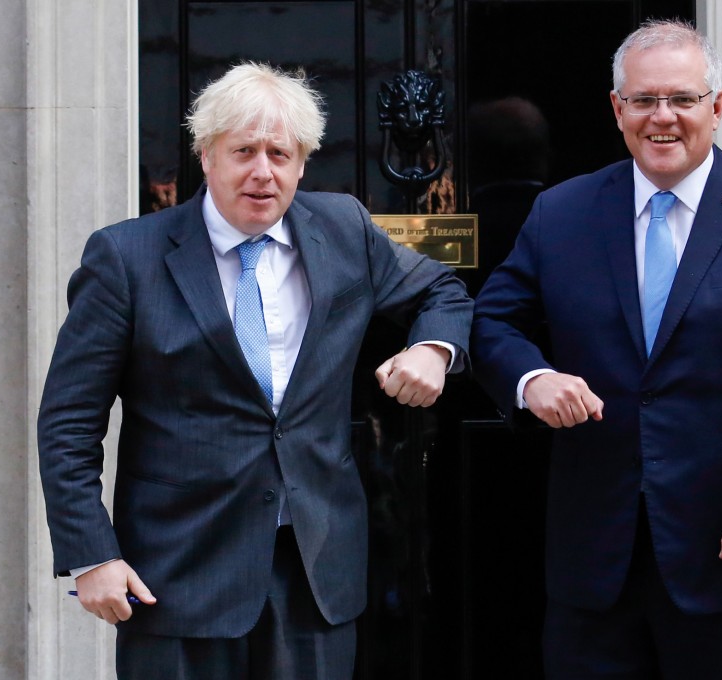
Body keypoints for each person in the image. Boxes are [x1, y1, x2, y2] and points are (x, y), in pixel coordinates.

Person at [37, 62, 472, 680]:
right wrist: (91, 555)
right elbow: (68, 421)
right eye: (243, 151)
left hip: (314, 569)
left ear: (302, 164)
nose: (263, 171)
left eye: (280, 154)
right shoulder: (126, 257)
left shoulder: (344, 229)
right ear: (207, 156)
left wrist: (432, 349)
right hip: (177, 573)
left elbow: (442, 291)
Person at [470, 19, 722, 680]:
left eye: (682, 99)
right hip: (595, 564)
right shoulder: (562, 213)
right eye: (644, 100)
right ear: (617, 108)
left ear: (717, 106)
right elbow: (492, 323)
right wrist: (531, 378)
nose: (663, 117)